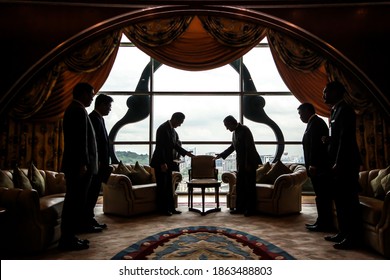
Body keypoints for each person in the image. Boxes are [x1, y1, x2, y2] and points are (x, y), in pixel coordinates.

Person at [322, 80, 363, 250]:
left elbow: (346, 140)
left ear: (336, 93)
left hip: (346, 164)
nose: (323, 95)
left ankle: (352, 238)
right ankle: (343, 232)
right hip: (340, 164)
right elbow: (339, 137)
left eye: (326, 92)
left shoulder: (345, 110)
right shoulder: (336, 110)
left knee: (348, 202)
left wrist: (338, 162)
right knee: (340, 200)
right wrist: (330, 140)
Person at [59, 82, 99, 251]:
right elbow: (79, 141)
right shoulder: (77, 110)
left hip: (77, 165)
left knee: (75, 202)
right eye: (91, 94)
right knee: (75, 203)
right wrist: (83, 163)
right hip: (79, 167)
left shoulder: (76, 109)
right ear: (82, 93)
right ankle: (68, 240)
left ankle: (70, 237)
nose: (92, 97)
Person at [215, 115, 261, 216]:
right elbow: (232, 147)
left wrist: (247, 164)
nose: (227, 128)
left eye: (227, 125)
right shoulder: (235, 132)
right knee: (240, 187)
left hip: (249, 163)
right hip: (241, 164)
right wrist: (221, 155)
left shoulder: (245, 130)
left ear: (232, 122)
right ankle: (240, 208)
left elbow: (249, 148)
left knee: (249, 187)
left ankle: (250, 209)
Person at [297, 103, 334, 232]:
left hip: (318, 167)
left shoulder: (316, 123)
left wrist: (313, 164)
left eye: (300, 113)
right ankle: (321, 221)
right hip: (316, 167)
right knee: (320, 196)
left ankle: (325, 223)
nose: (300, 117)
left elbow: (316, 147)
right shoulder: (313, 123)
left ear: (308, 111)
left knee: (323, 196)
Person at [150, 112, 194, 216]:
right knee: (162, 186)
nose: (180, 125)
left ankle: (171, 208)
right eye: (180, 122)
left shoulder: (173, 131)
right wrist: (163, 163)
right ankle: (163, 209)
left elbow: (175, 145)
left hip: (168, 162)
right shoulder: (162, 128)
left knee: (169, 186)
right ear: (175, 119)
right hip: (161, 162)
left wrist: (186, 153)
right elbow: (160, 147)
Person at [87, 94, 114, 230]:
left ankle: (90, 219)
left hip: (100, 165)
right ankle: (87, 221)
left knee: (94, 194)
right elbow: (93, 144)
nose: (110, 109)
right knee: (91, 194)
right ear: (102, 105)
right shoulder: (93, 119)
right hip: (96, 165)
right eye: (109, 106)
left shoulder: (99, 119)